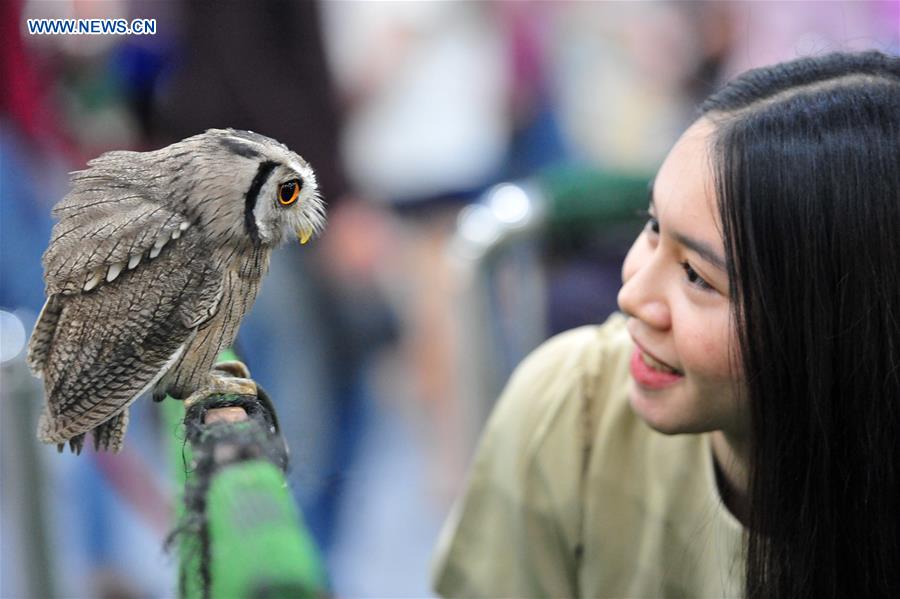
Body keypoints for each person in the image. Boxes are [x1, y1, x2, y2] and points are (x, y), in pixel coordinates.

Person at [431, 50, 900, 598]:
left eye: (698, 277)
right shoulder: (569, 407)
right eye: (653, 227)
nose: (632, 296)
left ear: (836, 322)